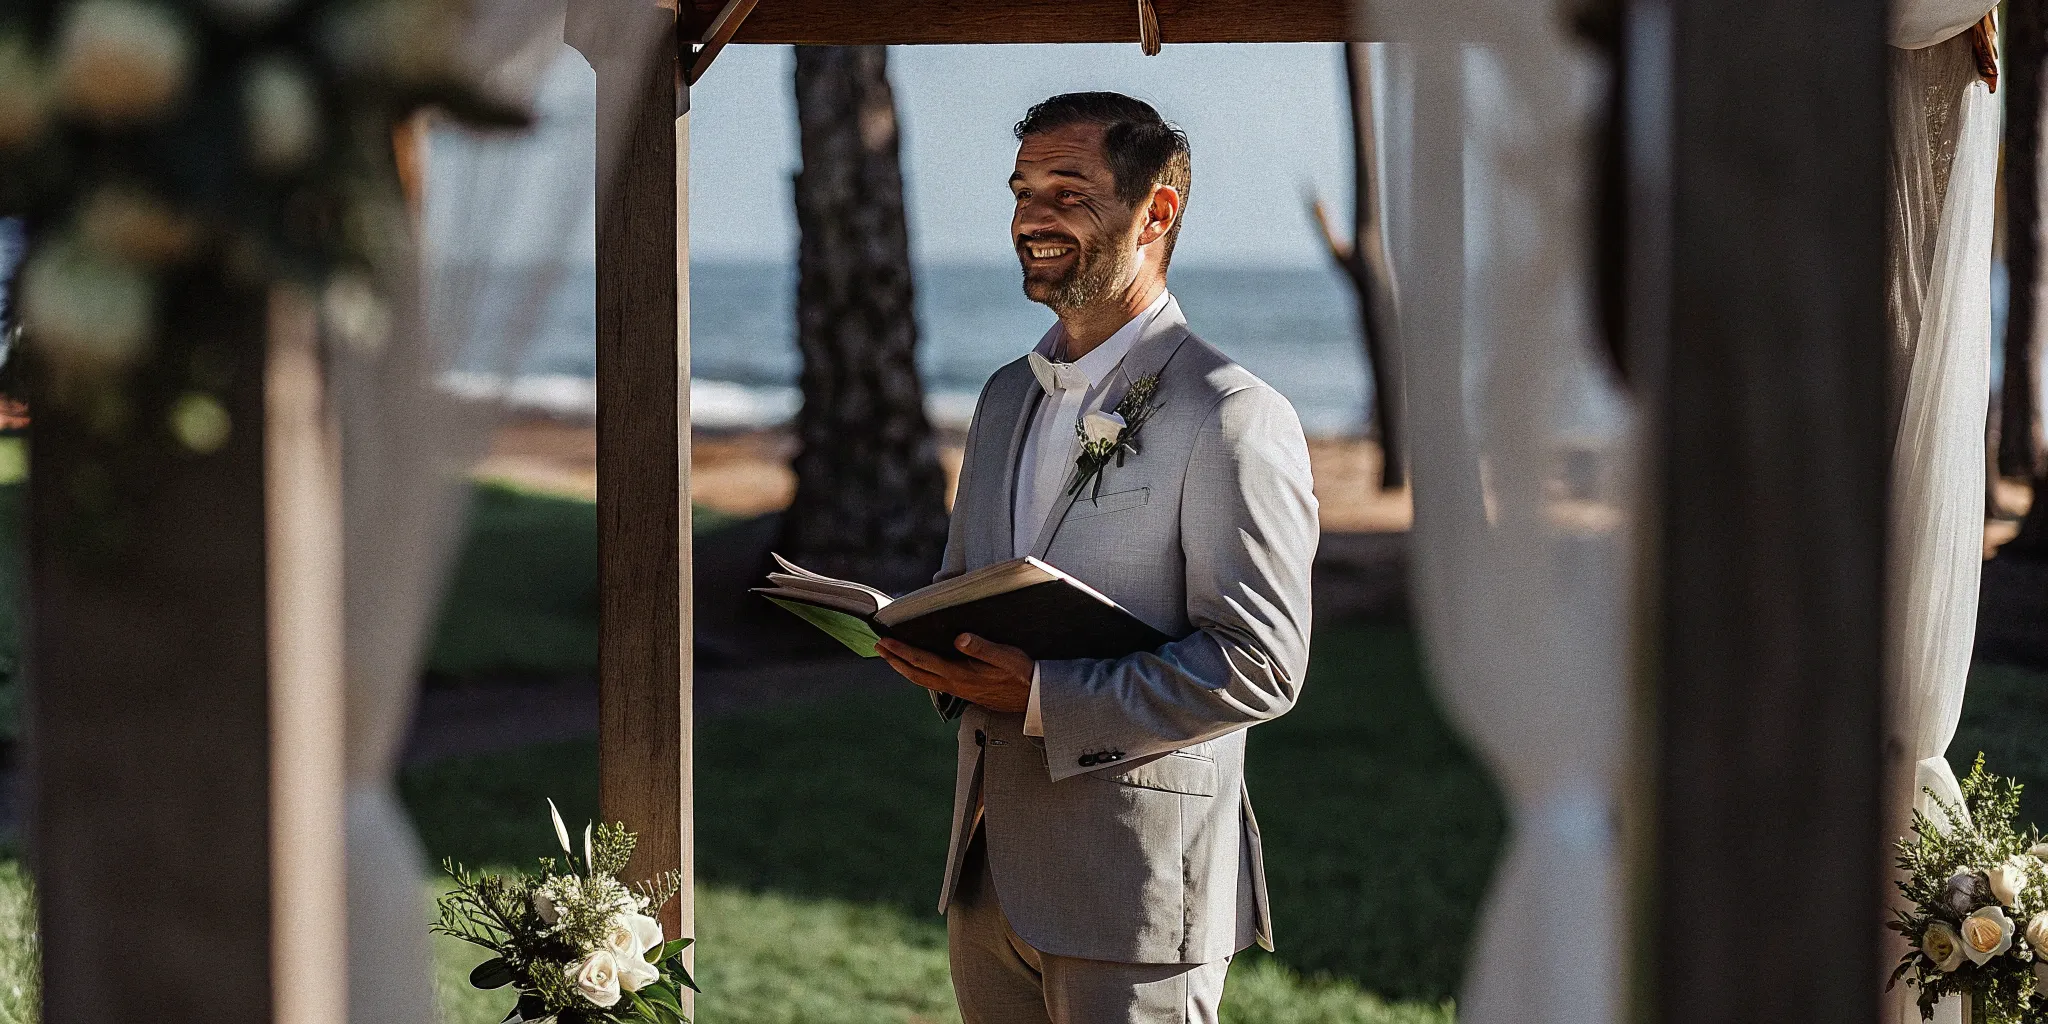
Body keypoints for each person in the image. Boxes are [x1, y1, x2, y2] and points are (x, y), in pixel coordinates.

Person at [874, 92, 1319, 1024]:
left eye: (1068, 190)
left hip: (1138, 893)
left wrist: (1041, 696)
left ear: (1156, 212)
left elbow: (1261, 665)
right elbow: (974, 590)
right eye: (1023, 190)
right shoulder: (1004, 399)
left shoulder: (1232, 412)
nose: (1033, 216)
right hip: (988, 880)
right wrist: (926, 647)